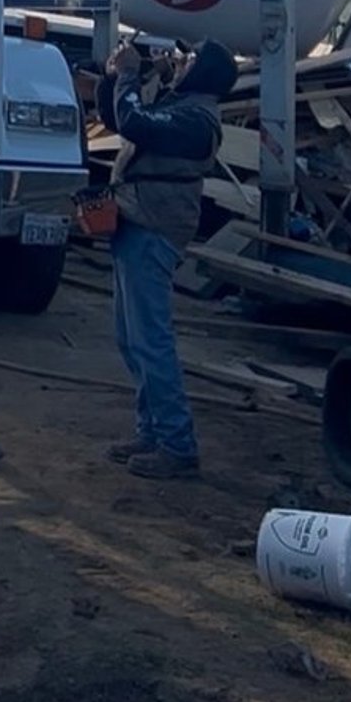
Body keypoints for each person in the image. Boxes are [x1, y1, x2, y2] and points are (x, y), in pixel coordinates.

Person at [97, 34, 240, 480]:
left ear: (205, 72)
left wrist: (128, 74)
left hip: (154, 227)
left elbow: (134, 123)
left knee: (150, 340)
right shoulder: (179, 107)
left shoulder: (197, 121)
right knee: (131, 337)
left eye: (188, 59)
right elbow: (118, 116)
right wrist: (118, 79)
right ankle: (151, 432)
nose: (179, 62)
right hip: (137, 220)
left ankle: (177, 445)